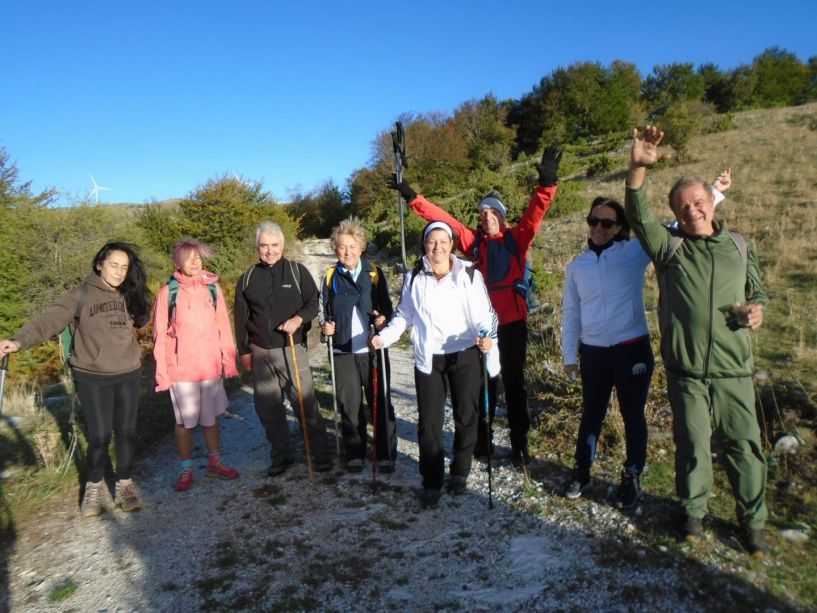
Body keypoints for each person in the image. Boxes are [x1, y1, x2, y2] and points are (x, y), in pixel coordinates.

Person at [624, 125, 770, 558]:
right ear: (676, 213)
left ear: (711, 202)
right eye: (682, 207)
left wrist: (758, 310)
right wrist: (637, 168)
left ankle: (754, 523)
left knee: (745, 446)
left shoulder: (740, 247)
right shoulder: (669, 250)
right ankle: (692, 514)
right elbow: (637, 214)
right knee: (691, 445)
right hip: (686, 371)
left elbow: (758, 292)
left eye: (698, 203)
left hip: (733, 370)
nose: (691, 212)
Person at [388, 146, 562, 468]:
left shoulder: (516, 239)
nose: (487, 217)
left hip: (511, 324)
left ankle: (520, 445)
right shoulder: (473, 242)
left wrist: (547, 184)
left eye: (492, 213)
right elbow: (441, 219)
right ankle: (482, 444)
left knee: (514, 384)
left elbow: (535, 215)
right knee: (483, 386)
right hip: (481, 328)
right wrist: (412, 197)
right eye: (483, 213)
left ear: (502, 216)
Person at [0, 242, 152, 516]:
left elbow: (142, 320)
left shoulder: (128, 294)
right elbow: (48, 321)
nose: (119, 272)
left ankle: (125, 485)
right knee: (99, 436)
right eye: (114, 265)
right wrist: (17, 341)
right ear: (99, 264)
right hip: (92, 376)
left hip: (128, 373)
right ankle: (93, 487)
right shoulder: (79, 295)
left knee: (127, 432)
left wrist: (142, 300)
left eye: (124, 267)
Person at [370, 221, 499, 509]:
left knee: (467, 414)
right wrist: (385, 337)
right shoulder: (414, 276)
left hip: (465, 351)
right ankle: (431, 479)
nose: (437, 247)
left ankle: (460, 471)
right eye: (432, 242)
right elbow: (404, 315)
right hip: (429, 356)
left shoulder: (468, 273)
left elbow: (483, 313)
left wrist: (485, 336)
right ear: (425, 245)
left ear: (451, 244)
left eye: (443, 241)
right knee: (429, 421)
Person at [561, 197, 654, 509]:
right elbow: (571, 313)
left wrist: (714, 194)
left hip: (632, 348)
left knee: (632, 415)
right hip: (595, 352)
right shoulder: (577, 267)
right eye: (593, 220)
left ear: (619, 228)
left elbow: (674, 227)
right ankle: (583, 471)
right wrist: (569, 357)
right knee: (592, 413)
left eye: (607, 223)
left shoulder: (634, 252)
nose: (598, 228)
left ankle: (631, 476)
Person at [234, 221, 333, 476]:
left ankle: (320, 455)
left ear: (283, 245)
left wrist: (299, 319)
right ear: (257, 247)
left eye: (274, 245)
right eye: (264, 245)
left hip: (291, 350)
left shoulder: (297, 272)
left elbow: (314, 302)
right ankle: (281, 456)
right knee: (268, 408)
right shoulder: (247, 278)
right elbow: (241, 318)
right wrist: (244, 352)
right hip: (260, 352)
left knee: (304, 403)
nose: (270, 250)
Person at [152, 239, 240, 492]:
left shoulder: (212, 288)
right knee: (184, 423)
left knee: (211, 418)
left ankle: (215, 462)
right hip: (181, 371)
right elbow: (159, 335)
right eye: (188, 258)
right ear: (177, 262)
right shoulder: (168, 293)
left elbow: (223, 326)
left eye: (198, 257)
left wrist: (228, 361)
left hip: (209, 367)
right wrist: (162, 374)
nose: (194, 262)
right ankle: (186, 469)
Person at [318, 218, 396, 473]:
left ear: (361, 247)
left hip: (372, 348)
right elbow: (323, 310)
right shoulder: (330, 276)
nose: (347, 252)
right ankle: (355, 452)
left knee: (380, 402)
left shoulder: (373, 273)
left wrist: (384, 319)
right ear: (335, 249)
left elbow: (386, 307)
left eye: (352, 246)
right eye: (342, 247)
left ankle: (385, 452)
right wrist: (325, 327)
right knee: (349, 404)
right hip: (342, 351)